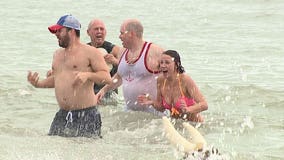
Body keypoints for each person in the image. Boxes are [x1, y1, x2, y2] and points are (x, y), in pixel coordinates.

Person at [27, 14, 112, 137]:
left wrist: (88, 75)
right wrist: (38, 83)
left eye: (59, 31)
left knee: (86, 153)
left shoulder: (90, 52)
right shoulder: (57, 55)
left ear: (71, 31)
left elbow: (107, 77)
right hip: (63, 115)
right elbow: (58, 80)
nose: (56, 34)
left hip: (86, 114)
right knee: (54, 149)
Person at [97, 19, 164, 113]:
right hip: (129, 112)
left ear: (131, 33)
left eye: (122, 33)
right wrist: (103, 90)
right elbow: (119, 77)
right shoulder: (122, 52)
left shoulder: (154, 51)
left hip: (153, 115)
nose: (119, 36)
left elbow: (174, 76)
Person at [137, 50, 208, 122]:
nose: (163, 65)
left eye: (167, 62)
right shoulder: (160, 80)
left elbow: (204, 105)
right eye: (161, 62)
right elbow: (161, 108)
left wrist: (188, 109)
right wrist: (151, 102)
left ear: (176, 64)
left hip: (195, 124)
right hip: (176, 124)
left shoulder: (185, 80)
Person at [86, 19, 121, 105]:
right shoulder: (84, 50)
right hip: (90, 93)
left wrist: (115, 61)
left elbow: (129, 65)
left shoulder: (114, 49)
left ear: (105, 32)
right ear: (88, 32)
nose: (99, 31)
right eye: (96, 29)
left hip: (109, 94)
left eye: (102, 29)